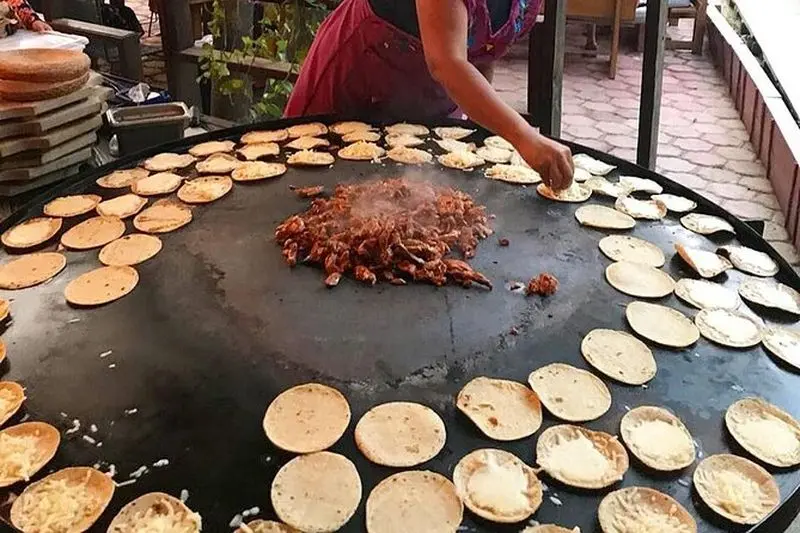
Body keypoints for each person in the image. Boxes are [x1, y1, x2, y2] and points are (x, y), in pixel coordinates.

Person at [284, 0, 574, 190]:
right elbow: (447, 63)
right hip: (365, 66)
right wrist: (523, 136)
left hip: (438, 86)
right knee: (306, 178)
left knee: (418, 190)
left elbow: (483, 47)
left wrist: (479, 121)